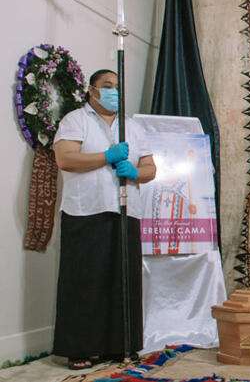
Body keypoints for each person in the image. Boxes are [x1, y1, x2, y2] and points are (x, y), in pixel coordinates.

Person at [52, 69, 156, 369]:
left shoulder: (132, 127)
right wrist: (106, 157)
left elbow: (150, 167)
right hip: (86, 212)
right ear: (92, 90)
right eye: (107, 86)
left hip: (125, 213)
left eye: (117, 87)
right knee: (85, 281)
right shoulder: (76, 120)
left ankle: (120, 346)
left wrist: (135, 173)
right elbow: (66, 159)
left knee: (123, 281)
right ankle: (80, 348)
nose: (114, 91)